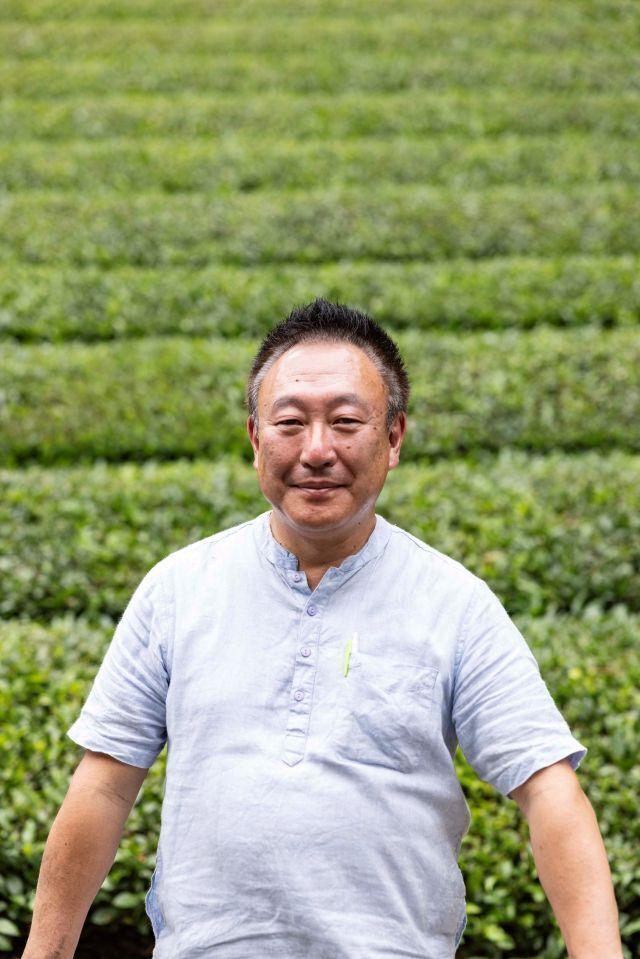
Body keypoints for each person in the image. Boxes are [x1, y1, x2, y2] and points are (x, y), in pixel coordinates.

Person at [22, 299, 623, 959]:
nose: (316, 450)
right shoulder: (179, 588)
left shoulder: (455, 604)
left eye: (345, 422)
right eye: (289, 422)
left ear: (393, 438)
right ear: (255, 438)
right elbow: (104, 785)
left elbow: (548, 790)